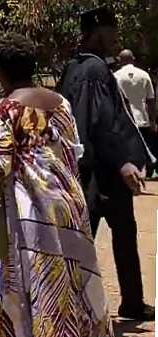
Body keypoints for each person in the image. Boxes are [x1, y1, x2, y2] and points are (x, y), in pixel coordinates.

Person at [0, 33, 122, 337]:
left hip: (33, 216)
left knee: (39, 296)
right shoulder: (60, 103)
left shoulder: (5, 109)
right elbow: (72, 153)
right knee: (80, 291)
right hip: (70, 207)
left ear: (0, 70)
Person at [59, 6, 155, 321]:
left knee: (120, 232)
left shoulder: (76, 67)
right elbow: (99, 122)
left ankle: (130, 301)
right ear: (98, 29)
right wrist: (123, 163)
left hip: (93, 167)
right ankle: (71, 306)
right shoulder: (93, 71)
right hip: (99, 171)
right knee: (88, 237)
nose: (115, 34)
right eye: (111, 27)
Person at [115, 49, 157, 177]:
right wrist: (153, 121)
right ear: (133, 59)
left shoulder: (116, 75)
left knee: (127, 150)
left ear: (120, 60)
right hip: (142, 118)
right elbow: (151, 99)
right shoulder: (144, 75)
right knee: (145, 147)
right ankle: (149, 171)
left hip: (125, 119)